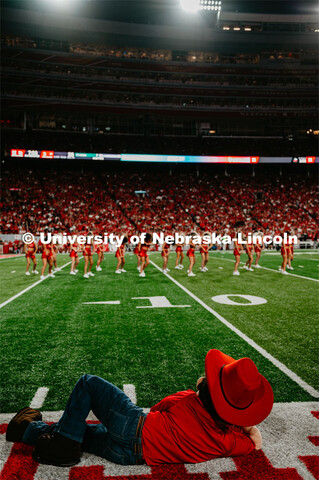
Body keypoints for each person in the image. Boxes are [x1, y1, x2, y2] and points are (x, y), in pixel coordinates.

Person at [6, 349, 274, 467]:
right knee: (82, 435)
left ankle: (62, 446)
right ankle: (24, 429)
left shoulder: (186, 399)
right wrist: (244, 425)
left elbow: (156, 410)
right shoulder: (226, 441)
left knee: (88, 383)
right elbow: (255, 443)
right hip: (129, 457)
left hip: (135, 428)